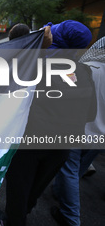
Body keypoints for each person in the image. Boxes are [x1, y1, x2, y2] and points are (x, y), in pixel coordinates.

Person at [0, 20, 95, 226]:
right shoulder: (85, 73)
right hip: (62, 145)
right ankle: (25, 211)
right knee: (37, 185)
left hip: (30, 141)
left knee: (19, 186)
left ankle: (14, 220)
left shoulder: (34, 67)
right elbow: (90, 114)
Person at [50, 36, 105, 226]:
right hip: (101, 135)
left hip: (79, 128)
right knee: (76, 170)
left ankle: (71, 218)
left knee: (69, 171)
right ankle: (59, 192)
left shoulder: (87, 68)